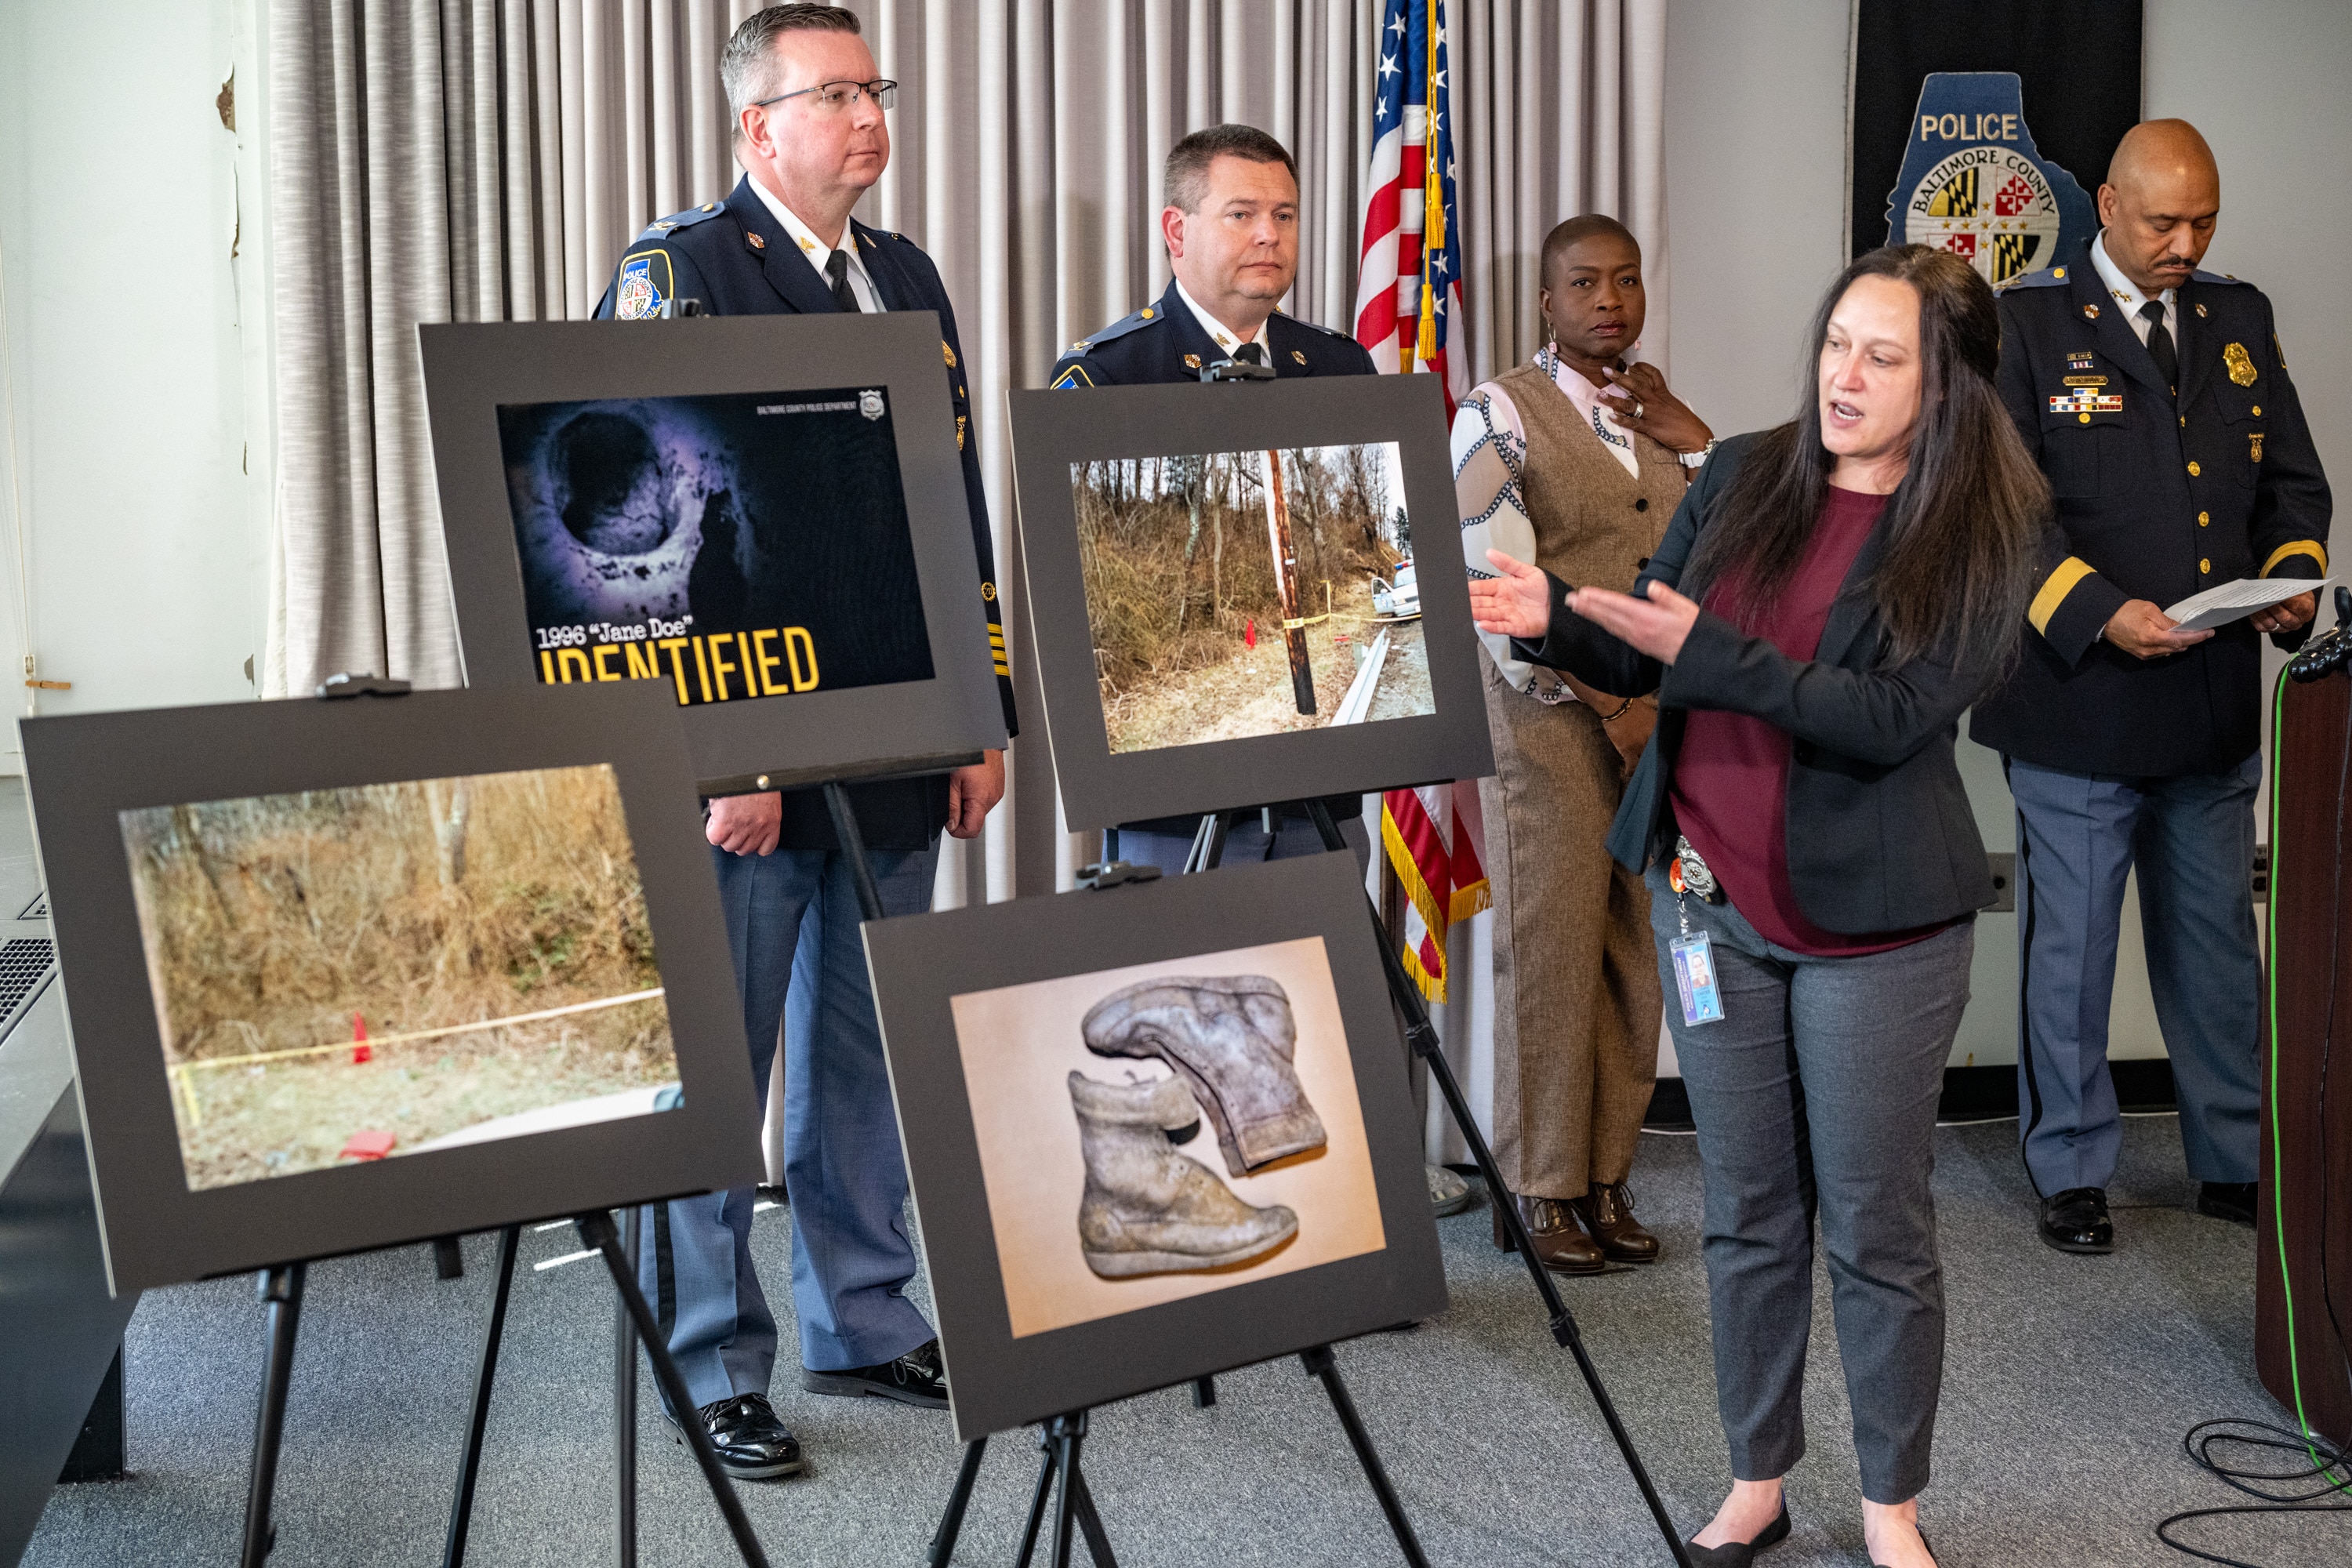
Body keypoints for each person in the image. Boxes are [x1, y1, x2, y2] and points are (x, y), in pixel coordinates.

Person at [1470, 245, 2045, 1568]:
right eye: (1839, 341)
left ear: (1946, 383)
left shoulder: (1984, 529)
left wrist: (1706, 653)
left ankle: (1892, 1505)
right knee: (1747, 1212)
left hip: (1873, 932)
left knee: (1875, 1227)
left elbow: (1894, 718)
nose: (1845, 373)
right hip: (1706, 903)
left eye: (1884, 356)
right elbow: (1647, 642)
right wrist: (1552, 613)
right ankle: (1757, 1479)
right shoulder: (1741, 473)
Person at [593, 4, 1013, 1479]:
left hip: (899, 733)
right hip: (749, 760)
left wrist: (982, 709)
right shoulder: (683, 273)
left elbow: (950, 506)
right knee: (726, 1060)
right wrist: (725, 759)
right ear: (756, 128)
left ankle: (862, 1314)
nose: (867, 116)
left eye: (874, 89)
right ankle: (710, 1355)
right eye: (832, 94)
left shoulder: (905, 276)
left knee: (865, 1046)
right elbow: (641, 544)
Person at [1048, 126, 1471, 1219]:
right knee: (1175, 1009)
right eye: (1242, 215)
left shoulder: (1338, 368)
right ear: (1177, 230)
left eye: (1284, 215)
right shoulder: (1106, 376)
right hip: (1170, 783)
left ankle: (1340, 1222)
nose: (1269, 237)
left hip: (1315, 766)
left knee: (1319, 1001)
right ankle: (1176, 1215)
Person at [1970, 119, 2332, 1254]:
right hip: (2080, 701)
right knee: (2071, 956)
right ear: (2109, 208)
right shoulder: (2023, 327)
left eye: (2204, 220)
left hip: (2212, 698)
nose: (2187, 241)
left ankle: (2233, 1157)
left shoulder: (2241, 318)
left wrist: (2291, 577)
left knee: (2220, 946)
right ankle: (2071, 1171)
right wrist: (2096, 609)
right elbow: (1998, 515)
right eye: (2166, 221)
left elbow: (2292, 484)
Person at [1452, 213, 1712, 1273]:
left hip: (1660, 721)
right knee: (1553, 950)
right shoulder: (1495, 415)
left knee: (1637, 947)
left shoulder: (1659, 413)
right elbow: (1490, 585)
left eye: (1626, 280)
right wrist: (1610, 708)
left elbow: (1729, 550)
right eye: (1583, 284)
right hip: (1553, 719)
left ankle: (1606, 1174)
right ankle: (1539, 1186)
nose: (1609, 300)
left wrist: (1694, 435)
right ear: (1546, 304)